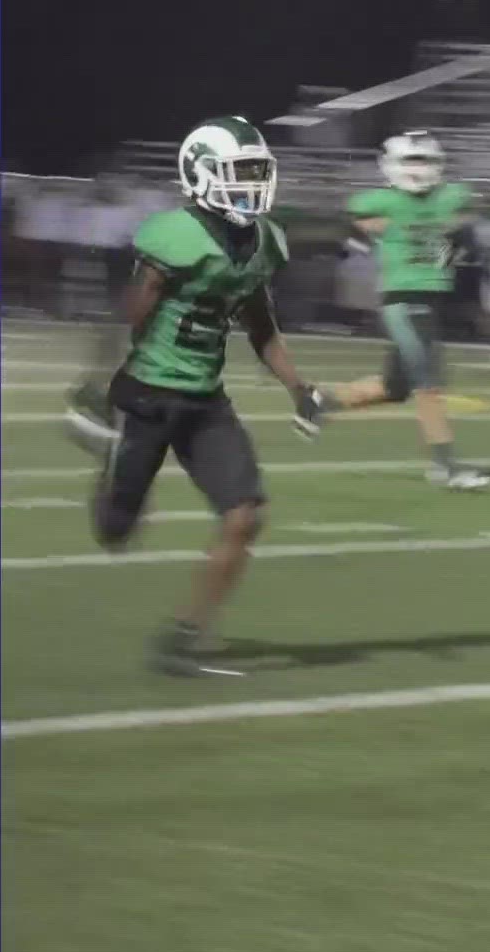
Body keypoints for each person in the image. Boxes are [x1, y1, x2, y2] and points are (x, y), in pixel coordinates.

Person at [87, 116, 327, 677]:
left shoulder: (263, 240)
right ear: (200, 174)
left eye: (255, 174)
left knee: (246, 516)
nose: (250, 186)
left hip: (205, 401)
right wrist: (99, 387)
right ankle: (112, 469)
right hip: (147, 396)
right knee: (114, 531)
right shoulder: (175, 235)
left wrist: (300, 388)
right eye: (238, 174)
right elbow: (131, 316)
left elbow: (260, 324)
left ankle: (184, 637)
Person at [323, 130, 490, 490]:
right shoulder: (377, 202)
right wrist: (366, 238)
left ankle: (318, 402)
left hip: (432, 296)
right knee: (428, 383)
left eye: (424, 161)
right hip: (402, 298)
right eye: (410, 161)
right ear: (391, 165)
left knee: (394, 386)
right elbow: (349, 233)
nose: (417, 169)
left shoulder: (451, 198)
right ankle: (444, 466)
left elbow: (464, 241)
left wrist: (448, 250)